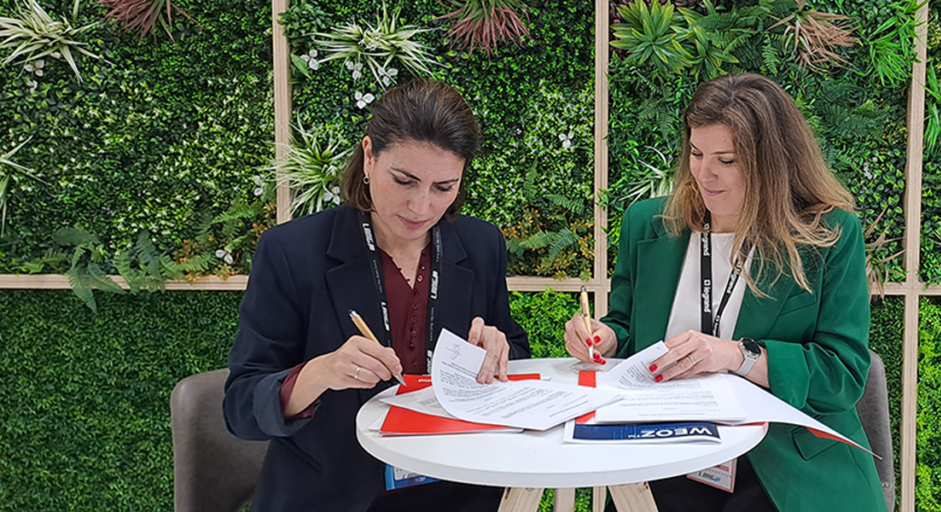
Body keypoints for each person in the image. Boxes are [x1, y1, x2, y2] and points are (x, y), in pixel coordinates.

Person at [564, 73, 887, 512]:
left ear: (773, 162)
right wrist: (604, 337)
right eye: (696, 154)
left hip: (780, 460)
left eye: (727, 160)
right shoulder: (647, 224)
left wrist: (738, 355)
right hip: (661, 452)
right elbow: (624, 322)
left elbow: (843, 374)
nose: (704, 174)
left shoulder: (827, 236)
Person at [223, 78, 530, 512]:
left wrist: (498, 353)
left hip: (458, 490)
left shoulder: (481, 246)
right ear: (369, 156)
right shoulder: (291, 252)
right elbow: (240, 406)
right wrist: (318, 373)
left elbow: (515, 350)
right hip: (331, 495)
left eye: (444, 187)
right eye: (404, 180)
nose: (421, 207)